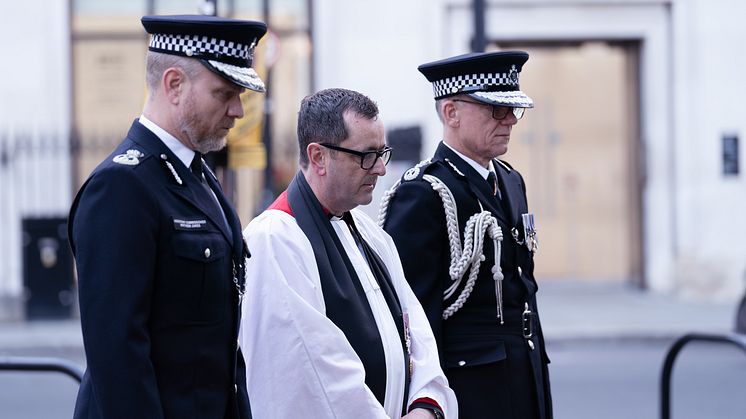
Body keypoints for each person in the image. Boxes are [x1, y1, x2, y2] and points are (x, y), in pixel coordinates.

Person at [68, 15, 267, 419]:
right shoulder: (123, 187)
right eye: (225, 93)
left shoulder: (197, 175)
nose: (237, 111)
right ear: (174, 84)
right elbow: (118, 355)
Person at [239, 88, 457, 418]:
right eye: (366, 156)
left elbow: (417, 338)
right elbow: (313, 375)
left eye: (382, 152)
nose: (381, 169)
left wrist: (427, 405)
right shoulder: (274, 240)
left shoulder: (372, 237)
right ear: (318, 157)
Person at [380, 51, 552, 419]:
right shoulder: (423, 192)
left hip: (524, 372)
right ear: (451, 113)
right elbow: (413, 314)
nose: (509, 121)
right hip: (471, 388)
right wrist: (425, 401)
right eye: (495, 109)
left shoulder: (510, 180)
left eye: (513, 110)